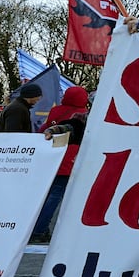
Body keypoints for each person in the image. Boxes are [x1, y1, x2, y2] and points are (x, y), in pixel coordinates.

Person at [31, 85, 90, 245]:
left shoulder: (56, 111)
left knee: (48, 194)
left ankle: (37, 227)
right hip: (71, 158)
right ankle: (40, 229)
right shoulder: (84, 114)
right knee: (58, 195)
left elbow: (43, 128)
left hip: (52, 156)